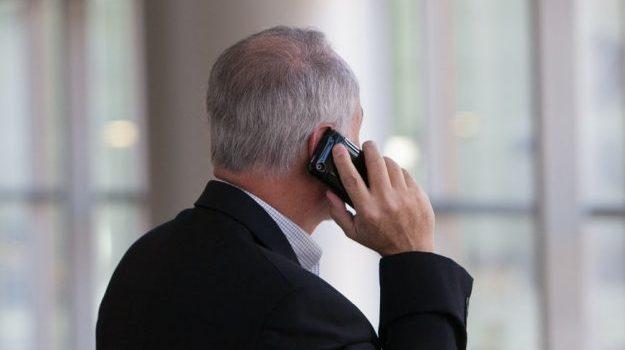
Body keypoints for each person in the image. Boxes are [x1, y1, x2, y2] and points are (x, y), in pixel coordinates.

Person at [96, 26, 473, 349]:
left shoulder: (142, 261)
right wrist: (413, 257)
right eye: (356, 133)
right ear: (327, 149)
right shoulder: (300, 310)